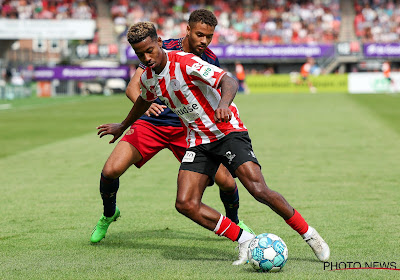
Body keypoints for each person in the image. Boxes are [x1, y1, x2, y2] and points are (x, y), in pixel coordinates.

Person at [97, 22, 330, 265]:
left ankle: (309, 234)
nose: (146, 57)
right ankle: (245, 239)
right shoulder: (148, 76)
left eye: (150, 50)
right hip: (198, 140)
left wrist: (223, 105)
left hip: (227, 131)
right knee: (185, 203)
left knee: (258, 189)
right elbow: (143, 100)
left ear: (159, 42)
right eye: (139, 54)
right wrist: (123, 125)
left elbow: (228, 81)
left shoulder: (186, 62)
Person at [90, 9, 254, 244]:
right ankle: (108, 214)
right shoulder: (158, 48)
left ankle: (234, 221)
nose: (204, 41)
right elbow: (132, 88)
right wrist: (144, 108)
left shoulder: (208, 58)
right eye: (199, 35)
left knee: (227, 182)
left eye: (208, 36)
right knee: (111, 170)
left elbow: (217, 94)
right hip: (153, 124)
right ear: (188, 30)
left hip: (188, 130)